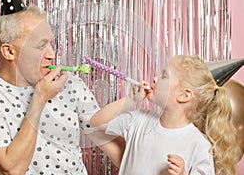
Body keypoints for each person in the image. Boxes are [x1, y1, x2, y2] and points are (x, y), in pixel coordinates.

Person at [0, 5, 124, 175]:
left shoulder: (69, 83)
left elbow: (113, 147)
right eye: (41, 46)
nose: (52, 55)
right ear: (9, 52)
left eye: (50, 44)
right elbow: (12, 168)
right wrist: (39, 99)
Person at [90, 55, 242, 175]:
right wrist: (129, 100)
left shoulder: (198, 145)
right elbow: (96, 121)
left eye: (164, 76)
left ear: (184, 95)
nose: (155, 78)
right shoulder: (138, 120)